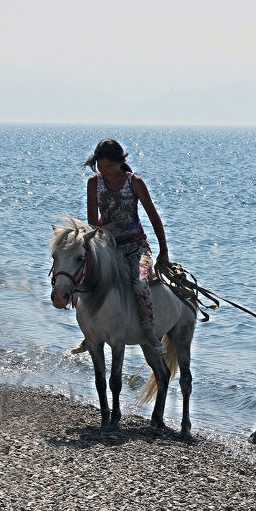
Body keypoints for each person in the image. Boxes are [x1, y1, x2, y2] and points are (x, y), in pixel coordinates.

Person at [71, 139, 169, 355]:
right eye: (100, 166)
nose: (104, 171)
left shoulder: (134, 182)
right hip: (108, 248)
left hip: (137, 248)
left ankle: (149, 331)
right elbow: (91, 223)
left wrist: (164, 251)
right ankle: (89, 334)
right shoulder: (93, 184)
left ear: (120, 162)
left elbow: (154, 217)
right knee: (81, 281)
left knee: (140, 283)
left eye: (109, 166)